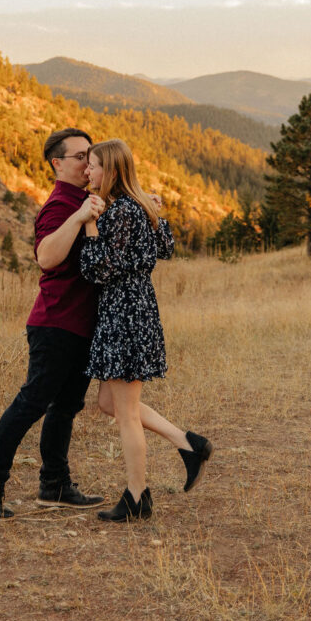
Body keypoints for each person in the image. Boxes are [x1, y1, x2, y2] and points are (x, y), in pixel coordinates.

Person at [0, 128, 106, 521]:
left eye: (90, 155)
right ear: (57, 164)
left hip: (80, 325)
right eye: (79, 156)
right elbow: (46, 257)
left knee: (66, 406)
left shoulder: (86, 200)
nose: (87, 162)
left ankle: (54, 485)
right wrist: (79, 217)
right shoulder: (60, 206)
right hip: (55, 323)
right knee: (33, 403)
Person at [81, 139, 213, 522]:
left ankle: (137, 497)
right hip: (133, 311)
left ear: (111, 170)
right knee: (111, 403)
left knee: (124, 413)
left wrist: (89, 226)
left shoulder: (120, 211)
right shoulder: (136, 206)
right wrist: (152, 211)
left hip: (124, 314)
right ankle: (188, 443)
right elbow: (166, 247)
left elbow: (98, 270)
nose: (87, 172)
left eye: (92, 166)